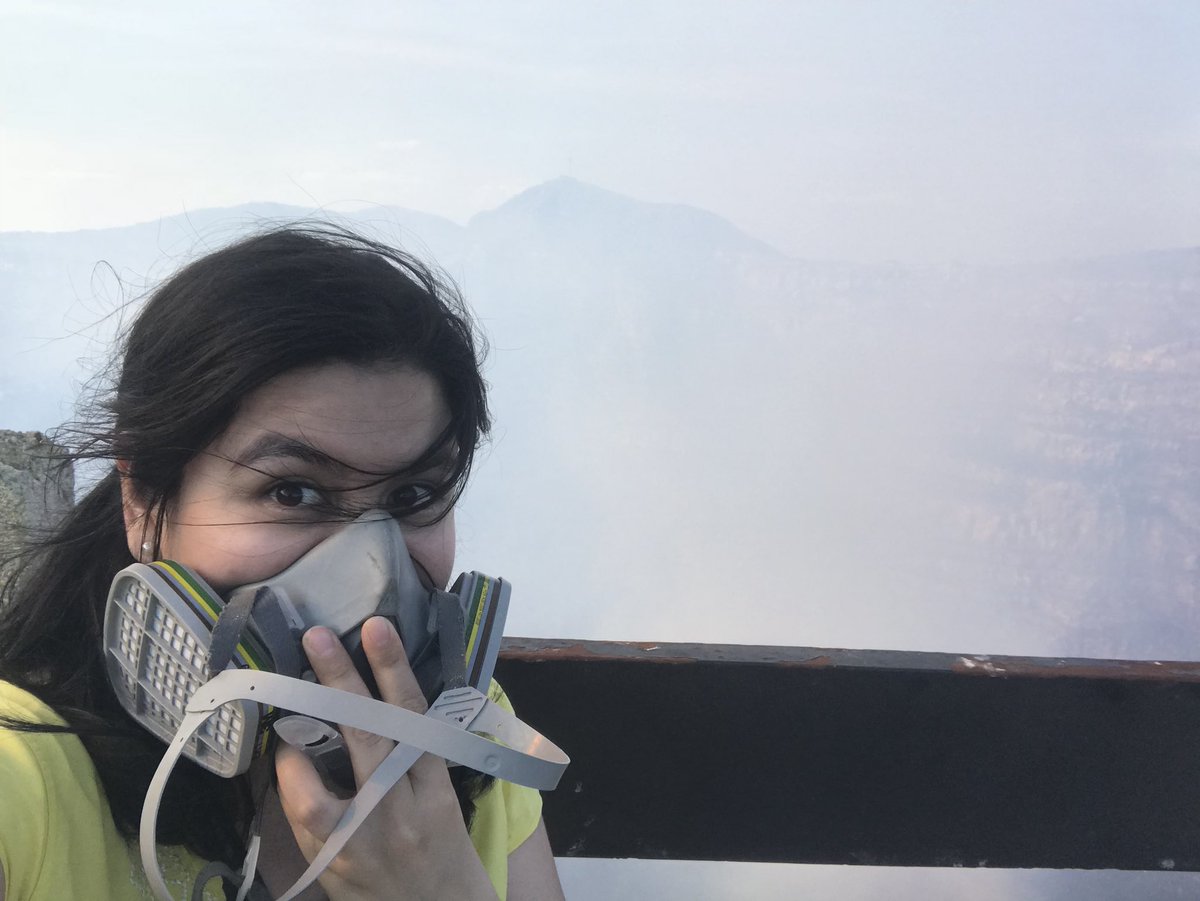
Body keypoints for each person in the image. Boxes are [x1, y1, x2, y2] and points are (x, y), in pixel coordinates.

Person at [0, 225, 565, 900]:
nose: (375, 577)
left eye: (414, 495)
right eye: (292, 492)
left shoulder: (465, 730)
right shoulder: (22, 775)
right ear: (142, 500)